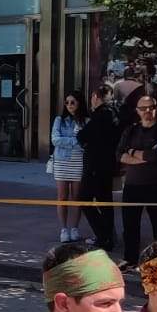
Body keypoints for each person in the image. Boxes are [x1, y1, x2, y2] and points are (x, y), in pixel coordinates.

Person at [117, 96, 157, 267]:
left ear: (156, 109)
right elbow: (120, 155)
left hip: (156, 185)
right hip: (132, 185)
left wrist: (132, 152)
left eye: (151, 107)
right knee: (130, 225)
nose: (147, 111)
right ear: (137, 111)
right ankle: (130, 259)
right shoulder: (130, 130)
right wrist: (144, 156)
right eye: (143, 108)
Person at [78, 85, 122, 253]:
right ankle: (108, 237)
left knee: (84, 198)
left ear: (96, 96)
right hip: (107, 164)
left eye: (92, 97)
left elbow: (83, 136)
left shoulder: (101, 115)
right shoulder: (114, 113)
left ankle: (103, 235)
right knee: (105, 201)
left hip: (96, 165)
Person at [51, 93, 88, 243]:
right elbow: (55, 140)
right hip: (61, 161)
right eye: (67, 102)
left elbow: (85, 142)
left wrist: (72, 141)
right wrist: (74, 141)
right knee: (62, 197)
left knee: (76, 197)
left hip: (78, 161)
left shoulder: (85, 121)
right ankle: (64, 229)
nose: (70, 105)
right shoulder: (59, 120)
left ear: (79, 103)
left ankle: (74, 228)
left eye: (73, 102)